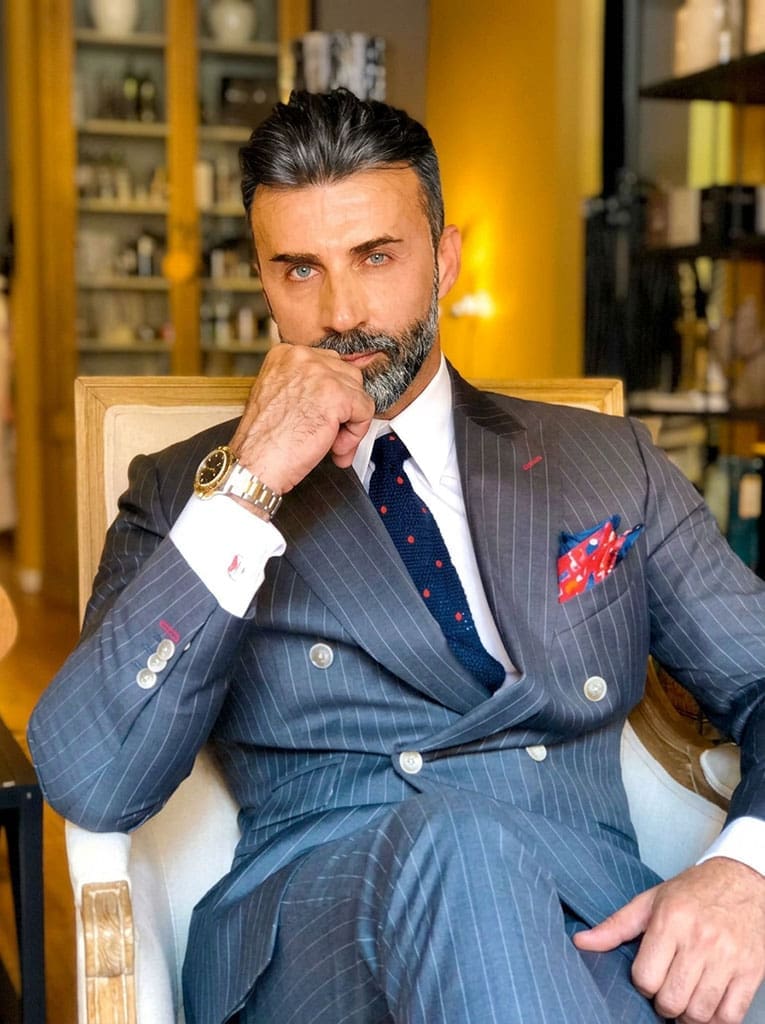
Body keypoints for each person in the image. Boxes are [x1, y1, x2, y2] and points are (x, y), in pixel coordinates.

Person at [29, 89, 765, 1024]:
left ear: (444, 258)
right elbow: (92, 777)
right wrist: (251, 482)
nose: (340, 313)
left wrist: (745, 869)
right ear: (261, 280)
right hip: (327, 939)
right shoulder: (189, 492)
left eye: (376, 256)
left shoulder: (601, 460)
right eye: (299, 269)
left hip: (599, 925)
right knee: (459, 844)